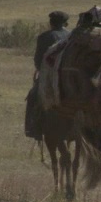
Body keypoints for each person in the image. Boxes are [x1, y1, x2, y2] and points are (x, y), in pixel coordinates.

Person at [25, 11, 71, 140]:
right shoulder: (71, 35)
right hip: (68, 75)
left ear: (51, 23)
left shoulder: (44, 37)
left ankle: (33, 128)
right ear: (65, 23)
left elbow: (38, 60)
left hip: (49, 76)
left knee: (33, 96)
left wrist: (41, 69)